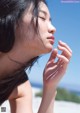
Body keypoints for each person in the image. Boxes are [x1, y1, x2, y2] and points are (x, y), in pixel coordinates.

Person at [0, 0, 72, 113]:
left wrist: (50, 88)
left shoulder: (20, 86)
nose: (53, 28)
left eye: (50, 20)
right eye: (42, 18)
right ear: (11, 18)